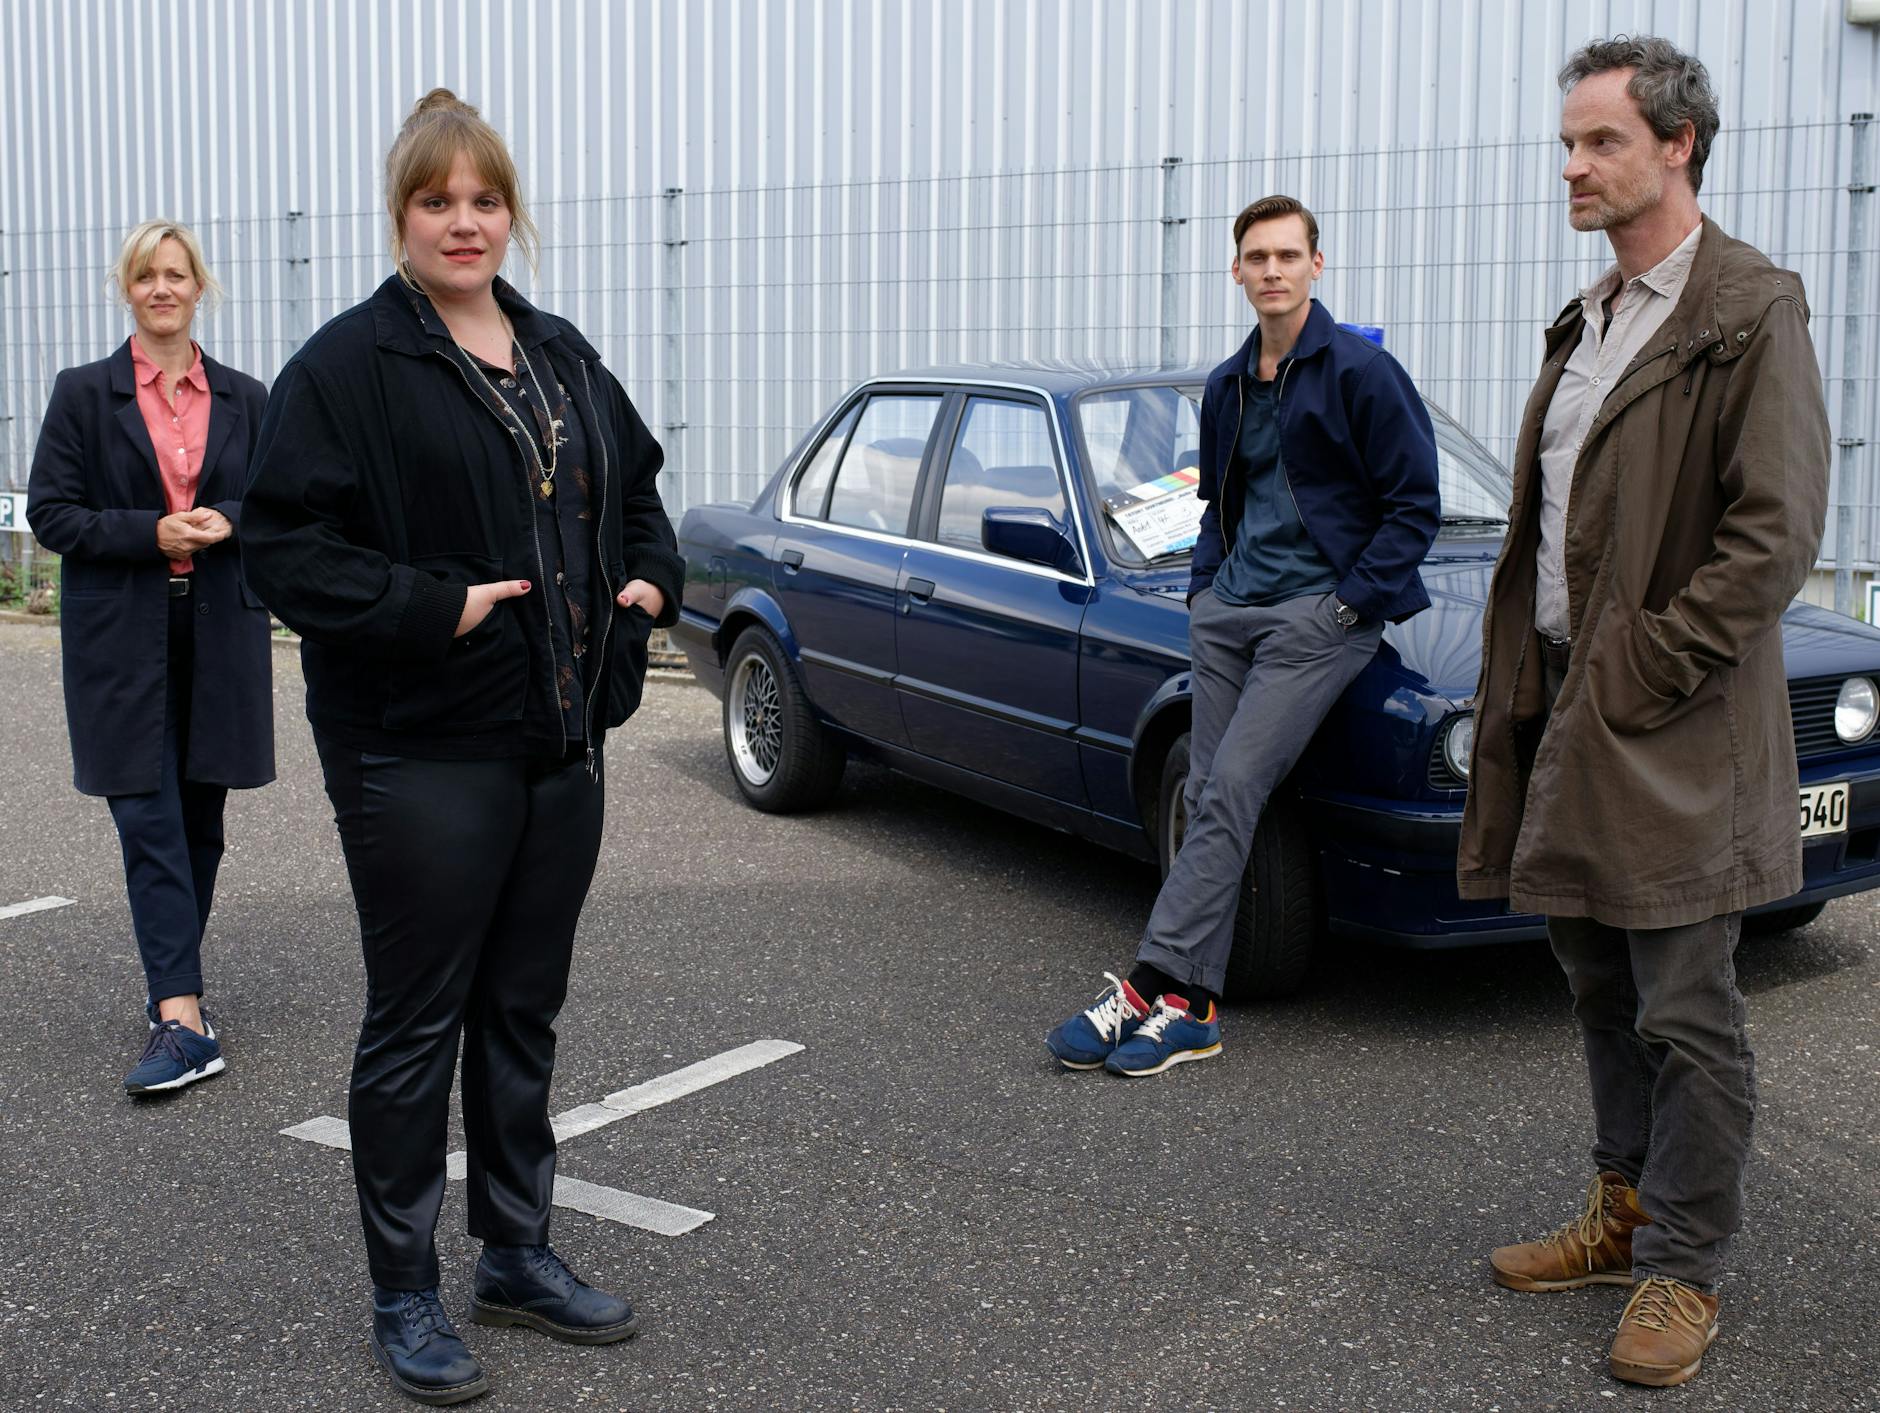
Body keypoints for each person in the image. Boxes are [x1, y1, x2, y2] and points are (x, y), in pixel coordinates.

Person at [242, 90, 683, 1406]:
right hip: (419, 752)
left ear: (510, 211)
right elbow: (281, 547)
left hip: (559, 744)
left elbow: (639, 492)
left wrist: (647, 587)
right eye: (438, 200)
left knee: (521, 1010)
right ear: (403, 215)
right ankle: (404, 1294)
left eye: (484, 198)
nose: (464, 221)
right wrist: (434, 605)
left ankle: (516, 1254)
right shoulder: (348, 367)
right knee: (417, 1021)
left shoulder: (556, 352)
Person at [1457, 37, 1831, 1389]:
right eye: (1567, 141)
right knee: (1598, 981)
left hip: (1666, 722)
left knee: (1688, 1002)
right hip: (1568, 710)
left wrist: (1648, 667)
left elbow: (1776, 530)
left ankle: (1683, 1261)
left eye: (1600, 140)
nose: (1571, 163)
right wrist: (1554, 681)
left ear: (1678, 144)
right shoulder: (1592, 314)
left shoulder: (1746, 307)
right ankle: (1621, 1210)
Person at [1046, 195, 1440, 1076]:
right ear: (1236, 271)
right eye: (1256, 257)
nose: (1272, 270)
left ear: (1316, 265)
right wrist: (1203, 587)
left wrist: (1349, 605)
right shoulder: (1226, 384)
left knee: (1226, 790)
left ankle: (1150, 983)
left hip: (1316, 621)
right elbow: (1217, 503)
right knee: (1211, 796)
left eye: (1288, 256)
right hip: (1228, 616)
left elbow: (1415, 505)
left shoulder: (1362, 374)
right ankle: (1191, 1005)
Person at [26, 220, 274, 1095]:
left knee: (200, 819)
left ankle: (177, 991)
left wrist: (230, 520)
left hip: (219, 627)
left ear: (198, 286)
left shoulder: (247, 397)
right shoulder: (84, 394)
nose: (162, 288)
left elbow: (283, 504)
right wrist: (149, 531)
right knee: (149, 818)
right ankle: (182, 1016)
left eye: (176, 274)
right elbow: (50, 512)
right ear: (127, 290)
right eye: (145, 276)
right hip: (120, 632)